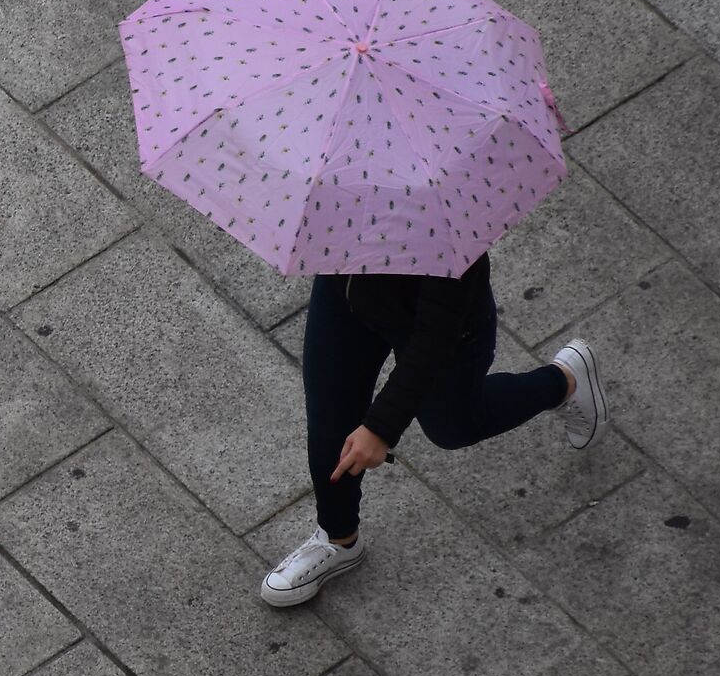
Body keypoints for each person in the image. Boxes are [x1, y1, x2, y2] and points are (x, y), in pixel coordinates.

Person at [259, 252, 605, 607]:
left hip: (442, 327)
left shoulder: (448, 231)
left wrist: (380, 427)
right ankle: (337, 538)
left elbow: (434, 338)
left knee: (453, 426)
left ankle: (563, 381)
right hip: (345, 284)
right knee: (331, 415)